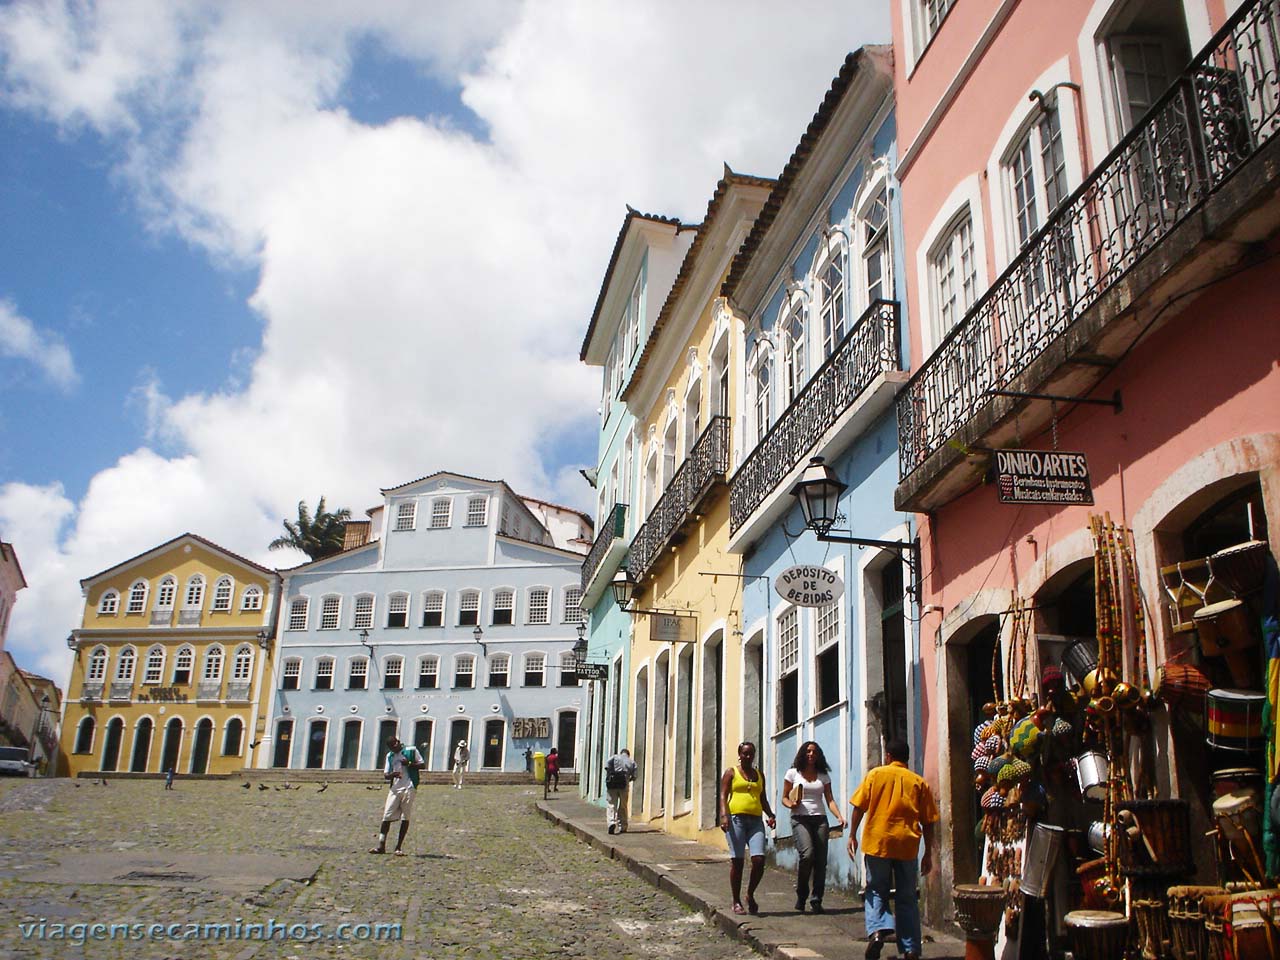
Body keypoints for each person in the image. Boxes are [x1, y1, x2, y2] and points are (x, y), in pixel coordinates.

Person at [848, 737, 939, 960]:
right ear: (906, 758)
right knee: (907, 896)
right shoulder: (918, 782)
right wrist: (928, 852)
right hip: (907, 845)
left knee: (876, 889)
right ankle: (910, 949)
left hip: (877, 842)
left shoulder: (875, 775)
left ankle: (878, 930)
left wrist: (852, 834)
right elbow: (929, 821)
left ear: (887, 756)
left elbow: (859, 807)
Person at [781, 741, 846, 913]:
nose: (811, 754)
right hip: (800, 818)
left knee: (820, 861)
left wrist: (839, 816)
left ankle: (816, 899)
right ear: (803, 754)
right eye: (808, 751)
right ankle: (802, 895)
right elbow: (784, 797)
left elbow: (829, 799)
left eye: (814, 752)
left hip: (820, 819)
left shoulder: (823, 775)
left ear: (818, 756)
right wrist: (791, 805)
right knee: (807, 854)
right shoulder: (793, 773)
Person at [719, 741, 777, 916]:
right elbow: (723, 795)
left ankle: (750, 894)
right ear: (739, 754)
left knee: (759, 860)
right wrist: (724, 815)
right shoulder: (731, 772)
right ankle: (736, 901)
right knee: (738, 862)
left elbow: (763, 798)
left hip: (756, 821)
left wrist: (771, 814)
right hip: (736, 820)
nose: (748, 756)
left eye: (751, 753)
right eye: (745, 753)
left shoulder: (759, 774)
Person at [370, 735, 424, 856]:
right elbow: (386, 775)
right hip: (395, 788)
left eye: (396, 744)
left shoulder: (411, 750)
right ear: (390, 748)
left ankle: (398, 847)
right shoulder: (390, 756)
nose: (395, 747)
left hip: (409, 787)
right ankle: (381, 845)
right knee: (386, 816)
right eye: (392, 747)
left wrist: (409, 763)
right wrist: (392, 774)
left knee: (405, 817)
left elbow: (422, 765)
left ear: (399, 742)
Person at [603, 748, 637, 835]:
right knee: (623, 806)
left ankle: (611, 822)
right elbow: (634, 776)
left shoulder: (614, 757)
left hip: (612, 784)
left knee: (611, 804)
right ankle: (623, 826)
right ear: (628, 754)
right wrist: (628, 778)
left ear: (621, 753)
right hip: (624, 785)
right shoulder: (632, 762)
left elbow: (606, 766)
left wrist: (610, 774)